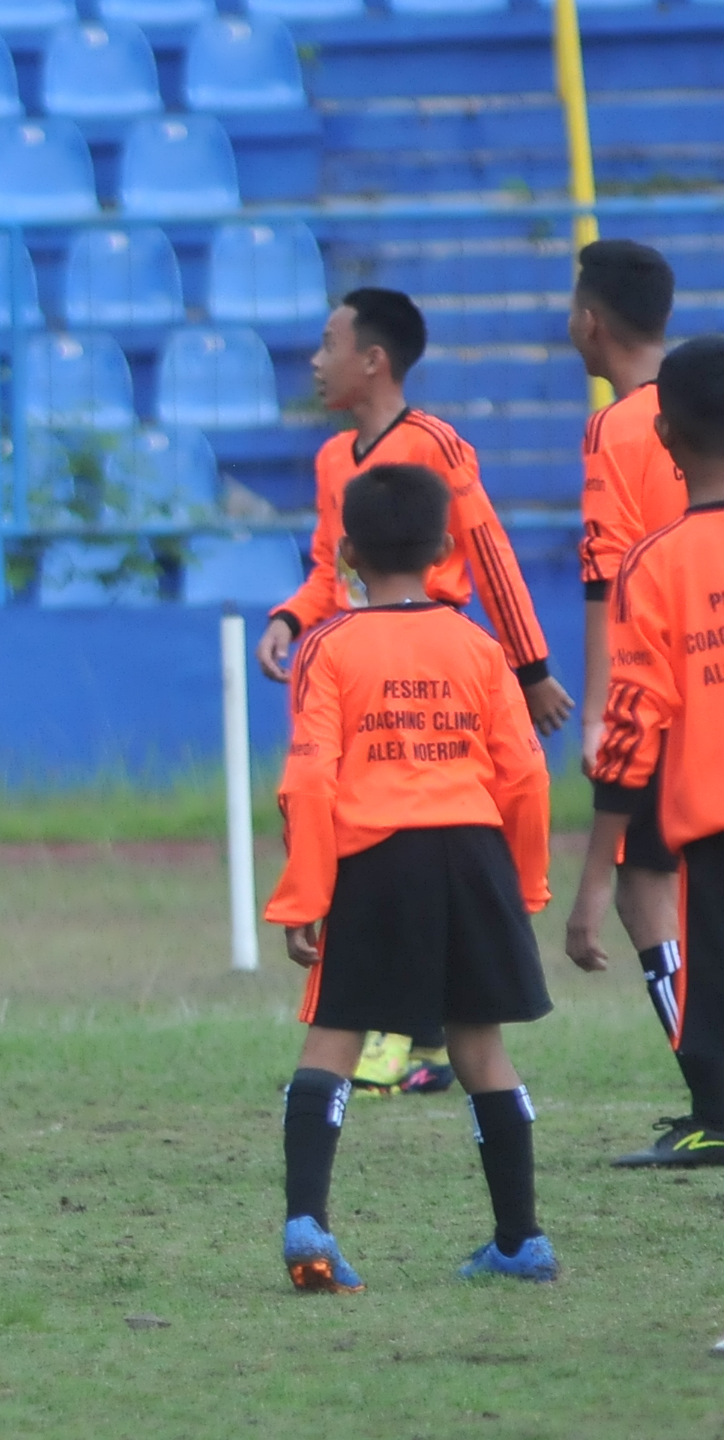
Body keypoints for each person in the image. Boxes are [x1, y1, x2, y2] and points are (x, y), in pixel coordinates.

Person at [255, 286, 569, 1096]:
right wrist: (292, 617)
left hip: (435, 657)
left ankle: (411, 1032)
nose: (316, 363)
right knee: (369, 833)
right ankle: (400, 1024)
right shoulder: (333, 460)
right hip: (354, 666)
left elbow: (488, 550)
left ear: (374, 359)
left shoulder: (435, 443)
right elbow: (331, 568)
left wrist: (530, 670)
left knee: (430, 822)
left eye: (328, 344)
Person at [264, 462, 558, 1290]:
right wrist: (525, 884)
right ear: (441, 550)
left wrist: (305, 893)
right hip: (471, 853)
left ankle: (307, 1228)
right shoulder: (477, 645)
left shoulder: (329, 646)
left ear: (347, 551)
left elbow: (309, 781)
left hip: (374, 856)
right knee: (479, 1045)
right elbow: (527, 777)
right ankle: (521, 1240)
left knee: (335, 1035)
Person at [586, 335, 724, 1169]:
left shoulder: (657, 562)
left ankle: (713, 1117)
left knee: (709, 977)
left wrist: (596, 874)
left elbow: (635, 724)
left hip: (709, 818)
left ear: (664, 434)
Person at [563, 242, 691, 1097]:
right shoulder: (701, 404)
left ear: (590, 321)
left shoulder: (617, 427)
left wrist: (601, 711)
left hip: (663, 686)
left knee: (646, 886)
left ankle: (709, 1083)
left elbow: (609, 574)